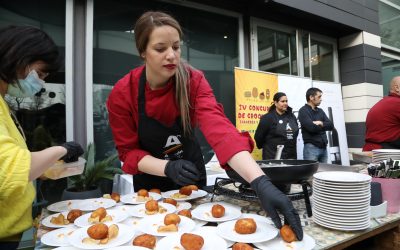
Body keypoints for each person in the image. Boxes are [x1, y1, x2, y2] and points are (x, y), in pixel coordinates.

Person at [107, 11, 303, 240]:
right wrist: (167, 167)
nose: (171, 55)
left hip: (191, 176)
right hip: (150, 186)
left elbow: (219, 129)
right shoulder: (123, 93)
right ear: (142, 52)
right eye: (160, 49)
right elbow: (129, 153)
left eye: (176, 47)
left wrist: (261, 182)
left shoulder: (193, 80)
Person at [0, 25, 83, 249]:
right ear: (17, 58)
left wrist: (45, 169)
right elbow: (12, 170)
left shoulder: (4, 104)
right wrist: (63, 149)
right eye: (41, 74)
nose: (42, 83)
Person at [255, 92, 299, 160]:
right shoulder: (268, 118)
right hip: (273, 157)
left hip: (291, 157)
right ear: (275, 103)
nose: (285, 103)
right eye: (282, 101)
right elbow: (258, 137)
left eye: (286, 101)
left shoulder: (292, 116)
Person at [363, 77, 400, 151]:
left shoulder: (384, 102)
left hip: (372, 150)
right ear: (397, 87)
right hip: (385, 153)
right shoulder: (397, 103)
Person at [298, 87, 333, 163]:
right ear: (311, 97)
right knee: (311, 174)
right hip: (311, 148)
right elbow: (311, 128)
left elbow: (331, 125)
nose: (321, 99)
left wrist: (321, 123)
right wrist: (324, 126)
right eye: (319, 97)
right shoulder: (303, 111)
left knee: (323, 174)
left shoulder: (320, 111)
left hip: (324, 148)